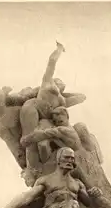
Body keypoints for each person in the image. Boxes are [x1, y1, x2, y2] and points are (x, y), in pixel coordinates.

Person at [19, 42, 86, 184]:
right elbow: (51, 63)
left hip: (46, 121)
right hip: (33, 109)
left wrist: (65, 93)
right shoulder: (47, 84)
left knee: (44, 144)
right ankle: (32, 170)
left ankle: (47, 168)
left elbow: (81, 97)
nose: (62, 83)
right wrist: (59, 50)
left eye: (63, 82)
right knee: (31, 140)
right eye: (59, 81)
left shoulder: (62, 102)